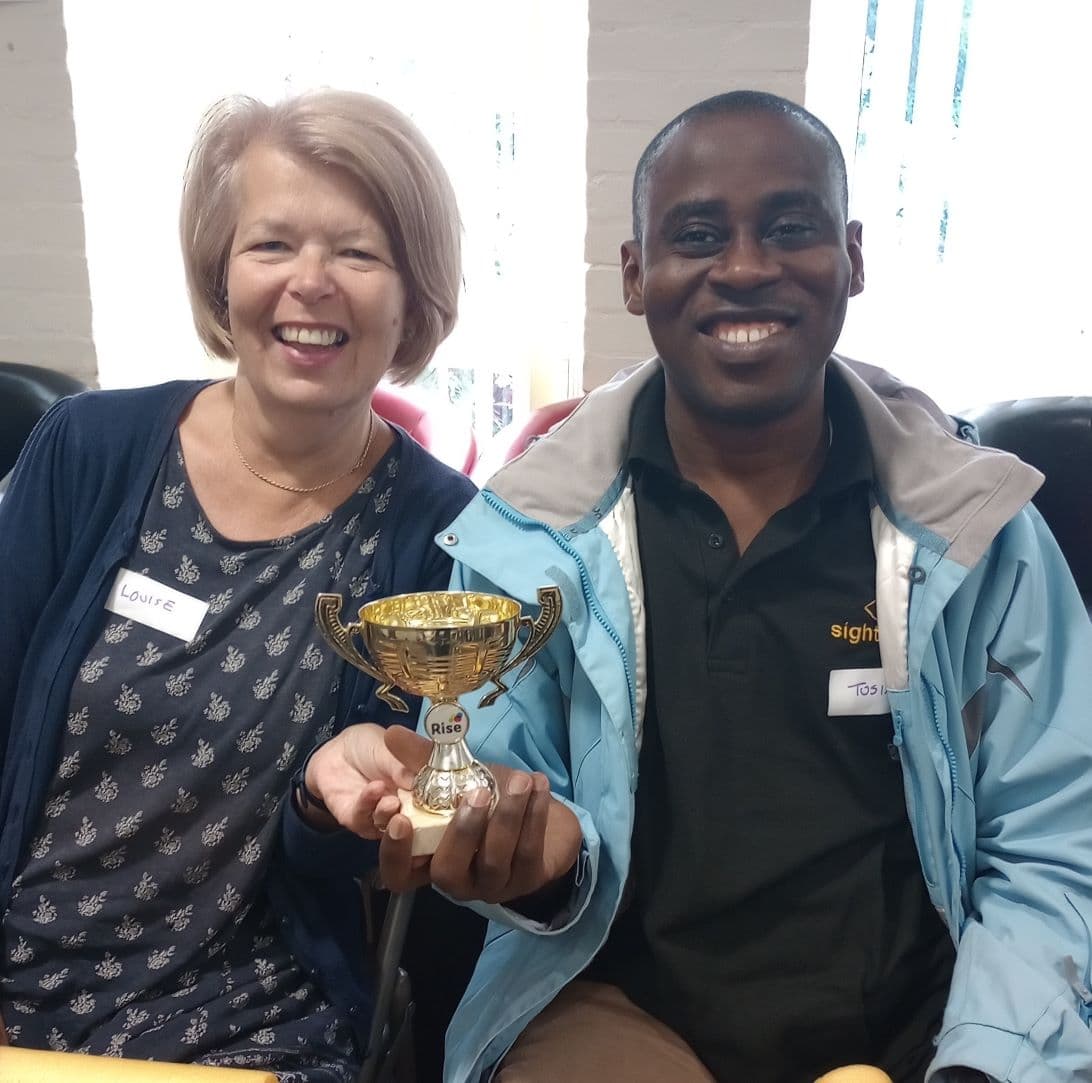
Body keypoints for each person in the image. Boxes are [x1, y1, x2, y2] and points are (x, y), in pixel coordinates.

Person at [375, 92, 1092, 1082]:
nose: (747, 268)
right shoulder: (529, 534)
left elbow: (1059, 836)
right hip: (617, 1012)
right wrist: (534, 869)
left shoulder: (977, 529)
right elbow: (501, 801)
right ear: (636, 274)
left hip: (933, 1023)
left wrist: (987, 1062)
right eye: (699, 235)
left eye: (790, 228)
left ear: (852, 257)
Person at [0, 88, 482, 1080]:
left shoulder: (440, 532)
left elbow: (363, 868)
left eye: (358, 253)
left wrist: (336, 801)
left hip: (244, 1006)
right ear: (221, 276)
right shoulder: (89, 448)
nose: (312, 282)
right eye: (272, 245)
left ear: (414, 297)